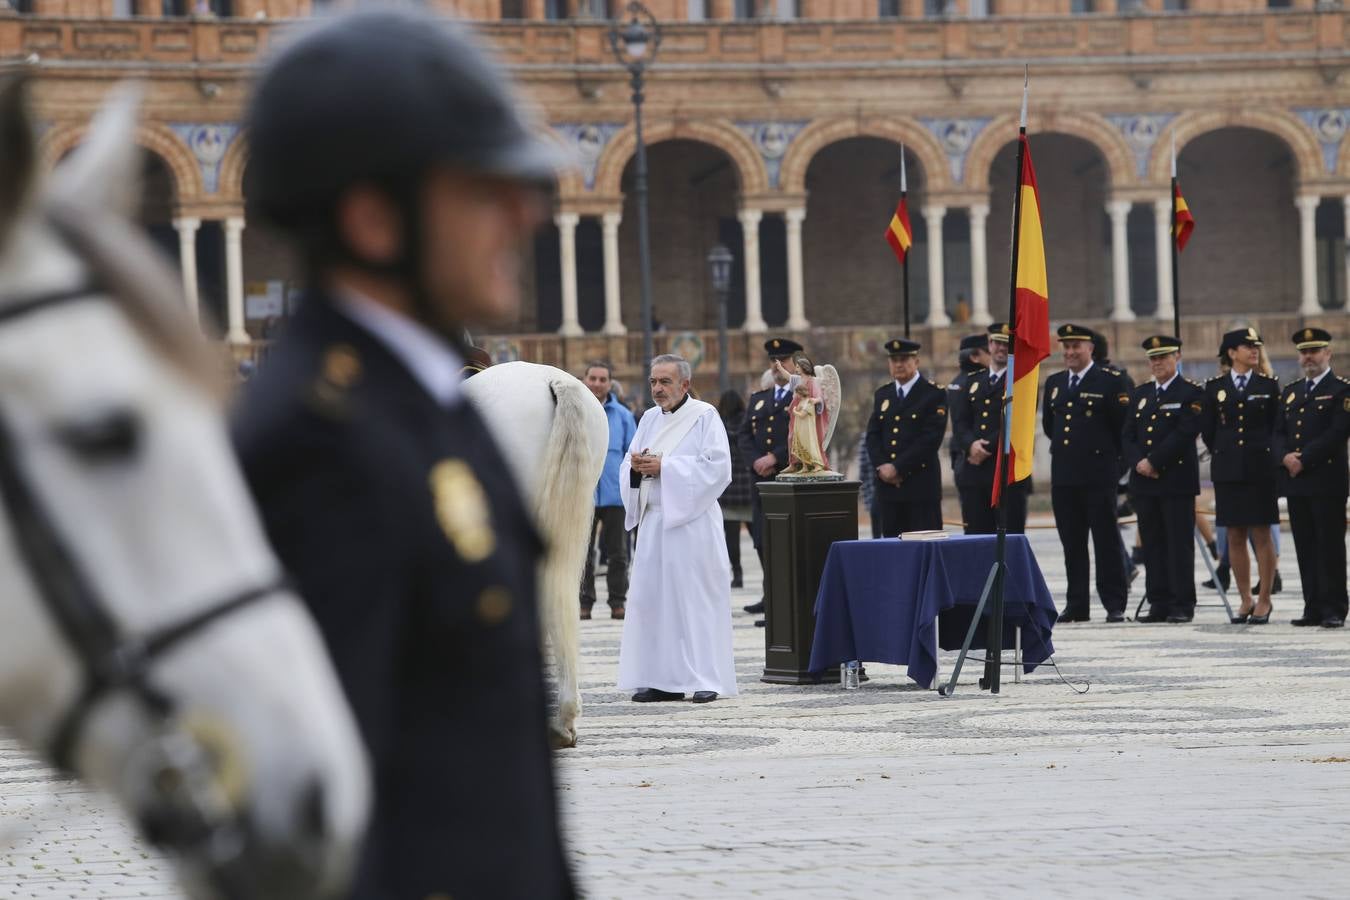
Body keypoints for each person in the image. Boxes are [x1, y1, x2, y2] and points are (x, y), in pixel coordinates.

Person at [231, 10, 575, 898]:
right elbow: (322, 823)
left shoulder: (420, 401)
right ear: (376, 219)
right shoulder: (317, 444)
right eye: (481, 190)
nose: (524, 213)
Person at [619, 355, 738, 704]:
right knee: (654, 601)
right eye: (653, 381)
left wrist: (665, 467)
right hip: (654, 520)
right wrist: (638, 468)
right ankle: (663, 679)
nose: (657, 389)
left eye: (665, 382)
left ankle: (706, 677)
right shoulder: (649, 419)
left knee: (695, 600)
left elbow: (718, 469)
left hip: (692, 521)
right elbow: (629, 461)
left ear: (684, 384)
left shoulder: (704, 416)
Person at [1042, 323, 1133, 622]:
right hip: (1065, 475)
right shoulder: (1055, 382)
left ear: (1090, 348)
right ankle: (1077, 603)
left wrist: (1114, 469)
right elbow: (1049, 427)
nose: (1070, 352)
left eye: (1076, 346)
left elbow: (1124, 428)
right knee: (1072, 543)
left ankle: (1114, 603)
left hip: (1098, 474)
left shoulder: (1110, 381)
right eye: (1066, 347)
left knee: (1106, 541)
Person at [1122, 335, 1205, 624]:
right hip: (1144, 481)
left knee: (1178, 544)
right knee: (1153, 544)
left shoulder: (1191, 393)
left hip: (1175, 479)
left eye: (1164, 357)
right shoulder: (1141, 394)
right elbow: (1128, 434)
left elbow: (1185, 433)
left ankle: (1182, 603)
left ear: (1177, 358)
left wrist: (1155, 461)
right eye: (1153, 358)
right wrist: (1139, 463)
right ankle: (1158, 602)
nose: (1157, 363)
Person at [1199, 328, 1279, 624]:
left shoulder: (1268, 386)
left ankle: (1265, 598)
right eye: (1247, 347)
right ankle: (1245, 597)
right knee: (1234, 534)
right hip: (1229, 469)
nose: (1254, 351)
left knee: (1262, 533)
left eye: (1257, 346)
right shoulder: (1215, 387)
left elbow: (1275, 427)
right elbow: (1209, 430)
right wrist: (1226, 452)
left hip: (1260, 469)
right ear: (1232, 353)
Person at [1274, 328, 1350, 628]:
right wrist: (1284, 456)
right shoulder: (1291, 391)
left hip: (1326, 479)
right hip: (1297, 481)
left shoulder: (1341, 390)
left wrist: (1303, 458)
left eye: (1314, 351)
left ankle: (1334, 607)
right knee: (1305, 545)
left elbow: (1337, 432)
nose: (1308, 357)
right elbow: (1278, 431)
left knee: (1329, 545)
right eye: (1304, 352)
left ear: (1327, 354)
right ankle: (1312, 606)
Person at [737, 338, 799, 617]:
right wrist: (755, 461)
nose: (778, 366)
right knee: (763, 541)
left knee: (787, 545)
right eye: (773, 361)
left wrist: (775, 457)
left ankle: (787, 604)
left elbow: (806, 436)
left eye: (783, 360)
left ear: (794, 364)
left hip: (788, 481)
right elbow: (744, 435)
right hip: (761, 483)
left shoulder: (802, 396)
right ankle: (770, 599)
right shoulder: (758, 400)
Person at [951, 322, 1028, 535]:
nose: (1001, 348)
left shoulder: (1020, 383)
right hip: (974, 469)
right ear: (989, 345)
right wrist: (970, 445)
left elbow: (1018, 422)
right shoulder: (973, 381)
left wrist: (986, 447)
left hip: (1003, 469)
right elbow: (960, 421)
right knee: (976, 537)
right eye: (996, 343)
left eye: (1006, 344)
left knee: (1009, 536)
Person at [865, 338, 947, 536]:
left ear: (916, 362)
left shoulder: (933, 394)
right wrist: (882, 466)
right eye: (894, 360)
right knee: (892, 551)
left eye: (904, 359)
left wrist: (897, 467)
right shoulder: (883, 395)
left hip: (920, 487)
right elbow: (873, 435)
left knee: (925, 549)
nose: (899, 364)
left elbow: (930, 439)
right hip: (889, 490)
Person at [580, 360, 637, 620]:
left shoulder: (623, 415)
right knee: (582, 554)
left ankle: (617, 601)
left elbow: (632, 453)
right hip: (582, 493)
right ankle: (585, 602)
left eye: (603, 379)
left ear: (609, 383)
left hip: (615, 493)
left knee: (618, 553)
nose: (597, 384)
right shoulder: (574, 410)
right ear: (584, 379)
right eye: (593, 378)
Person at [718, 389, 754, 589]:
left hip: (728, 491)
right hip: (747, 489)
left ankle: (737, 573)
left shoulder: (720, 427)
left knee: (731, 537)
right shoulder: (749, 425)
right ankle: (767, 570)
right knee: (756, 535)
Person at [946, 333, 991, 484]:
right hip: (971, 455)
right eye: (988, 352)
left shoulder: (958, 381)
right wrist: (973, 446)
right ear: (975, 357)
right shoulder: (966, 383)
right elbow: (960, 421)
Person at [784, 352, 829, 474]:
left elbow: (819, 397)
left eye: (798, 367)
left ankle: (811, 463)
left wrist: (815, 400)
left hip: (806, 414)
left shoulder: (813, 381)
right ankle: (794, 462)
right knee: (792, 438)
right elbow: (788, 377)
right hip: (797, 413)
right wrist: (780, 368)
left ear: (804, 367)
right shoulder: (798, 380)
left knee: (806, 440)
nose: (796, 369)